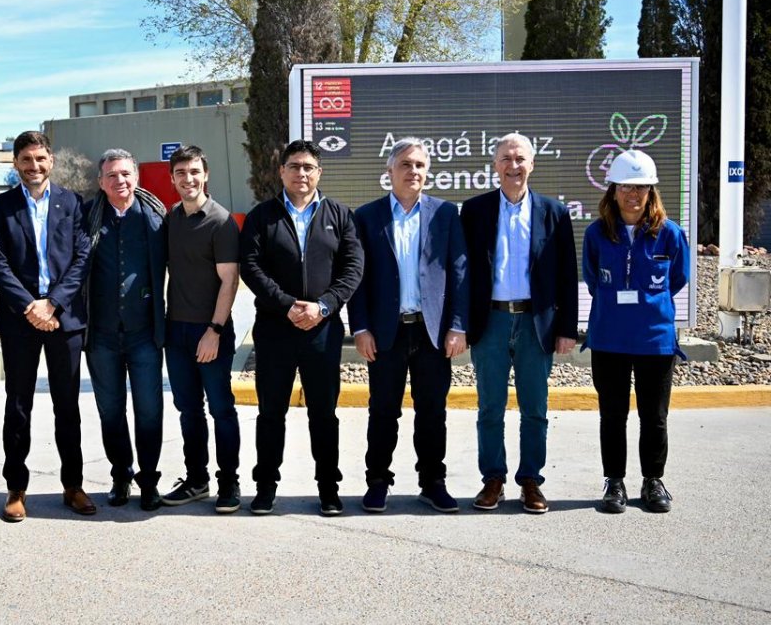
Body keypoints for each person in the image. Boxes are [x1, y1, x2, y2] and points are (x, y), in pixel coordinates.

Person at [239, 139, 364, 516]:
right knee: (270, 413)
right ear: (282, 171)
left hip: (322, 331)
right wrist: (287, 305)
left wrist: (324, 306)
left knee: (323, 414)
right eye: (294, 166)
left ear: (319, 172)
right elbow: (251, 266)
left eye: (308, 167)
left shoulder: (339, 215)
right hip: (275, 330)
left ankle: (328, 488)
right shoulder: (262, 216)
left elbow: (353, 267)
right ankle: (265, 487)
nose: (301, 173)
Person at [348, 138, 469, 513]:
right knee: (383, 411)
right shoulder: (367, 217)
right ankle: (377, 482)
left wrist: (458, 326)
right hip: (386, 333)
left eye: (419, 165)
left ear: (427, 171)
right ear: (389, 172)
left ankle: (433, 482)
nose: (412, 171)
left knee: (432, 412)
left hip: (432, 332)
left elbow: (459, 272)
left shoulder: (445, 213)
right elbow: (357, 278)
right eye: (405, 164)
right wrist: (361, 328)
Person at [460, 133, 579, 513]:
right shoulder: (474, 211)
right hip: (490, 321)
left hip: (535, 323)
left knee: (535, 409)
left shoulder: (554, 212)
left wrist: (567, 328)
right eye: (506, 159)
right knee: (489, 408)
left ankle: (530, 481)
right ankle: (493, 479)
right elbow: (462, 274)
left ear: (532, 164)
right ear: (495, 166)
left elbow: (567, 275)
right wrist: (459, 323)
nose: (513, 166)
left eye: (520, 159)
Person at [0, 130, 96, 521]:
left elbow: (82, 257)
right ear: (16, 162)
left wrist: (53, 303)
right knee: (18, 406)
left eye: (40, 158)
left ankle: (73, 485)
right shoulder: (0, 206)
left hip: (63, 319)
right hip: (20, 320)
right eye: (26, 159)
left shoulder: (72, 202)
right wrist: (30, 306)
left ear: (51, 161)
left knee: (67, 406)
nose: (34, 166)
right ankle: (16, 488)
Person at [582, 149, 688, 514]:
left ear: (651, 191)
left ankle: (652, 480)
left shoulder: (670, 234)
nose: (633, 194)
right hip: (609, 339)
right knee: (612, 415)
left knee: (654, 417)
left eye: (641, 187)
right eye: (626, 186)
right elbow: (593, 278)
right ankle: (614, 482)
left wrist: (647, 304)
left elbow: (677, 279)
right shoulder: (597, 233)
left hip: (654, 341)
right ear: (613, 191)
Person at [83, 149, 168, 511]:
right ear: (101, 182)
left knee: (149, 411)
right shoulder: (86, 219)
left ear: (136, 177)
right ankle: (121, 476)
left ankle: (148, 480)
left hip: (144, 334)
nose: (119, 180)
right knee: (111, 411)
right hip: (101, 335)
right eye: (112, 175)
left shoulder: (156, 219)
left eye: (125, 174)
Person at [161, 145, 242, 513]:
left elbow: (230, 280)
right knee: (188, 410)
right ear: (172, 178)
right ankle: (197, 480)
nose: (188, 178)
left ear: (205, 175)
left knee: (221, 409)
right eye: (181, 173)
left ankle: (229, 483)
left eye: (194, 171)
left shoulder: (221, 222)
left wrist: (214, 330)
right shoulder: (172, 219)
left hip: (210, 332)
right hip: (176, 332)